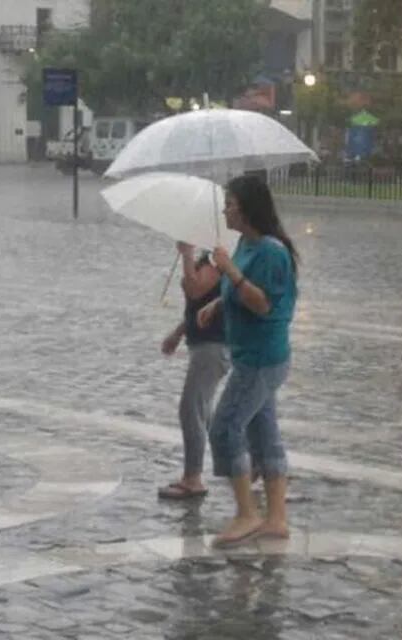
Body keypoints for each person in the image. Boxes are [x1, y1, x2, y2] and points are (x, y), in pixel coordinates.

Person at [197, 175, 298, 547]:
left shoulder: (271, 251)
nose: (225, 208)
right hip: (251, 355)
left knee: (224, 427)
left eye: (230, 202)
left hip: (261, 358)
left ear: (248, 207)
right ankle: (276, 518)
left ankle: (247, 513)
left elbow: (263, 302)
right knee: (264, 431)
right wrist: (219, 302)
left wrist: (230, 272)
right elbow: (244, 292)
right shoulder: (246, 244)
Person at [158, 242, 231, 499]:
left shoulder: (217, 259)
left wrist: (187, 255)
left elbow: (196, 290)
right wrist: (178, 333)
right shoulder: (210, 257)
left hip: (213, 345)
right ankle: (240, 464)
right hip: (203, 344)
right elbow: (198, 305)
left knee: (191, 409)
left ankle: (193, 479)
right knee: (202, 412)